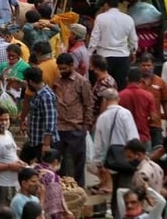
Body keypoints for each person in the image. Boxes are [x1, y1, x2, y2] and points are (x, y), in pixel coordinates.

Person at [93, 88, 140, 219]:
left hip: (112, 160)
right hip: (127, 159)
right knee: (125, 190)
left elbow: (99, 143)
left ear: (105, 101)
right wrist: (136, 157)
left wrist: (99, 162)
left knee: (116, 190)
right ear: (118, 99)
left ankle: (116, 214)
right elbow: (133, 137)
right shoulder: (125, 114)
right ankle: (127, 215)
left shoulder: (102, 118)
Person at [52, 53, 93, 187]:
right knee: (57, 162)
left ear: (71, 66)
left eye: (64, 68)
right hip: (59, 127)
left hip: (76, 127)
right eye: (60, 69)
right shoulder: (57, 81)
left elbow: (88, 105)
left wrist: (85, 127)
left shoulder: (82, 82)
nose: (61, 71)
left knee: (77, 162)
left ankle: (79, 190)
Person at [88, 0, 138, 90]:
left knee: (104, 87)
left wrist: (89, 55)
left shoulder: (100, 18)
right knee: (121, 87)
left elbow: (94, 38)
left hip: (104, 58)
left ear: (106, 5)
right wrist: (134, 52)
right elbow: (133, 39)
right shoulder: (128, 19)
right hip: (122, 57)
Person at [20, 66, 59, 164]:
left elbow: (50, 122)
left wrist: (46, 145)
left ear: (31, 82)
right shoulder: (38, 94)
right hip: (35, 140)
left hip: (43, 143)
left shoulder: (46, 96)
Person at [118, 68, 156, 149]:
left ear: (127, 79)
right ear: (141, 80)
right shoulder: (149, 96)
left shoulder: (120, 96)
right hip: (143, 136)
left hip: (125, 137)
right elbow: (153, 117)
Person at [138, 52, 167, 148]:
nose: (146, 68)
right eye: (144, 65)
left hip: (155, 125)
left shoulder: (160, 82)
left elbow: (165, 103)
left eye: (148, 65)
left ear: (153, 66)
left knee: (157, 150)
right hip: (139, 125)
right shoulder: (135, 81)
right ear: (140, 66)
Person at [33, 149, 74, 218]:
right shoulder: (53, 176)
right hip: (46, 212)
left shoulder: (34, 168)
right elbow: (55, 202)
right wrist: (66, 211)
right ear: (55, 161)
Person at [90, 54, 117, 120]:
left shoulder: (105, 83)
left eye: (91, 66)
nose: (90, 68)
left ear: (97, 68)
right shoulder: (101, 80)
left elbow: (105, 103)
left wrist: (100, 120)